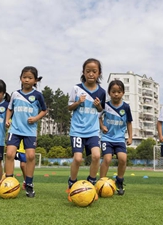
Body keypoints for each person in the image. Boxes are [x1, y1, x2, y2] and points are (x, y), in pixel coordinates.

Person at [5, 66, 47, 198]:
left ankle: (29, 184)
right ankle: (8, 181)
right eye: (24, 77)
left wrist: (35, 118)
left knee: (30, 156)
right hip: (15, 129)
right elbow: (10, 109)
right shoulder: (15, 94)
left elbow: (44, 110)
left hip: (30, 131)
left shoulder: (38, 95)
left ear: (35, 81)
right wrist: (7, 119)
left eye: (30, 78)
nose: (27, 80)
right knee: (10, 154)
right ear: (20, 78)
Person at [67, 58, 106, 196]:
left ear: (99, 73)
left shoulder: (101, 92)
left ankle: (92, 182)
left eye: (94, 71)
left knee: (96, 156)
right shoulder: (76, 88)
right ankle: (72, 182)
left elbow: (101, 110)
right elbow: (69, 107)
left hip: (93, 131)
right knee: (78, 158)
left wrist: (98, 105)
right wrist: (78, 102)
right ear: (83, 72)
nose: (91, 74)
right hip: (77, 130)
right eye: (88, 71)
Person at [99, 80, 132, 195]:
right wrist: (102, 126)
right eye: (113, 92)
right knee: (107, 159)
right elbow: (99, 117)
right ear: (109, 92)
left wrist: (130, 137)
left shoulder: (126, 107)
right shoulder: (105, 105)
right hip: (106, 138)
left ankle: (119, 181)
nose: (116, 94)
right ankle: (101, 183)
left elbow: (129, 122)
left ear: (123, 93)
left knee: (123, 159)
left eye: (119, 91)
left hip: (119, 139)